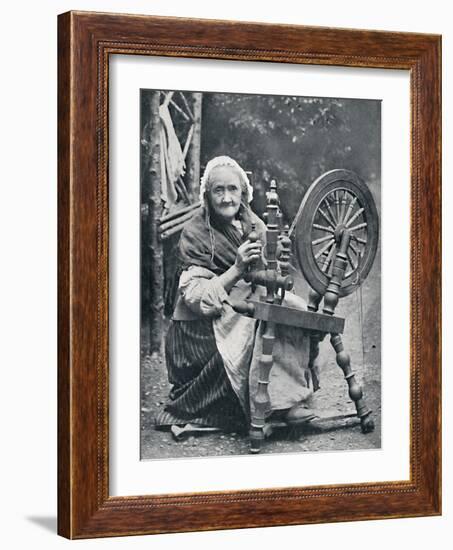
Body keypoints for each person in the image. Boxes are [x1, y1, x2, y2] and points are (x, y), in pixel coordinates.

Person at [155, 156, 316, 435]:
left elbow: (269, 276)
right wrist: (237, 268)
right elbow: (199, 300)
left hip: (238, 305)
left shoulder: (252, 223)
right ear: (207, 195)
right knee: (261, 320)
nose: (227, 198)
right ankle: (269, 407)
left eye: (233, 190)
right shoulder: (195, 234)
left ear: (244, 193)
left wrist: (280, 261)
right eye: (219, 190)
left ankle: (289, 398)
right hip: (198, 330)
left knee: (293, 308)